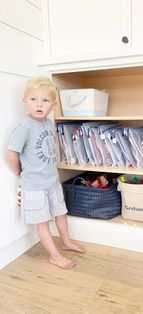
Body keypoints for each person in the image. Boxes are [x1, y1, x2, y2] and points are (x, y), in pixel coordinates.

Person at [5, 76, 86, 269]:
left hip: (52, 182)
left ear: (53, 105)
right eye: (33, 100)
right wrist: (20, 173)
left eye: (45, 100)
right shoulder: (24, 126)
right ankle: (54, 255)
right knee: (41, 222)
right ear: (24, 101)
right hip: (34, 186)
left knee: (61, 214)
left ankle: (66, 242)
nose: (39, 105)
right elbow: (10, 154)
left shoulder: (49, 123)